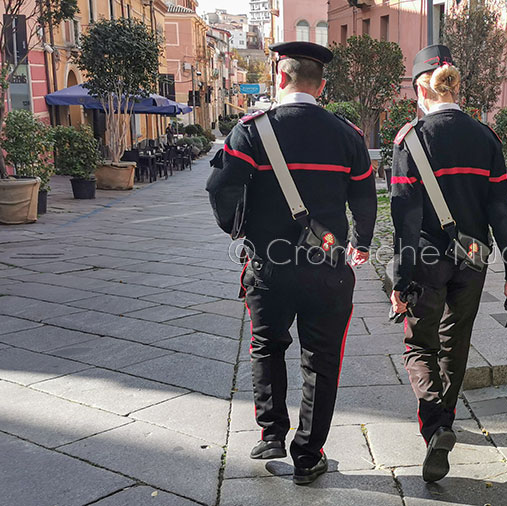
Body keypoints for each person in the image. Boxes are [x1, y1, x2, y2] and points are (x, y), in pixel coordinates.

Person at [205, 41, 377, 485]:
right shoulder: (347, 135)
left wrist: (237, 229)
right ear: (321, 85)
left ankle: (271, 434)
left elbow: (219, 188)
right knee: (322, 360)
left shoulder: (250, 131)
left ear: (280, 78)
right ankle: (308, 455)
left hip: (268, 266)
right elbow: (364, 197)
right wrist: (362, 243)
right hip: (328, 267)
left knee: (267, 346)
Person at [389, 44, 507, 483]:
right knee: (456, 341)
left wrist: (400, 279)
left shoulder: (410, 139)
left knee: (418, 344)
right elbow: (502, 212)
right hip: (474, 258)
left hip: (427, 257)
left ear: (419, 90)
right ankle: (446, 419)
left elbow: (404, 218)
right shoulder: (486, 138)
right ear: (455, 86)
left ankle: (434, 425)